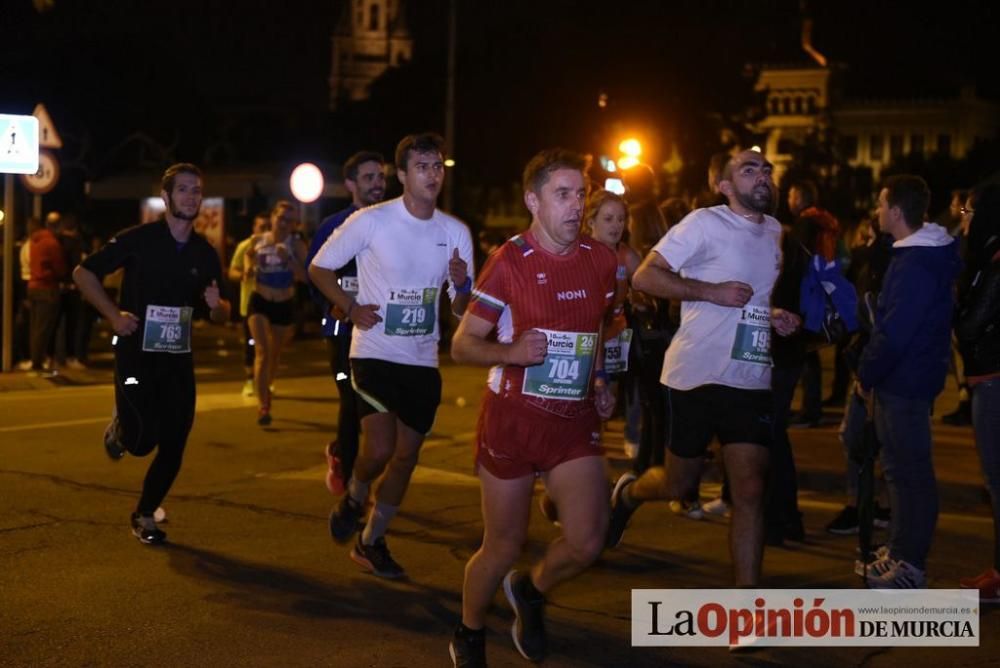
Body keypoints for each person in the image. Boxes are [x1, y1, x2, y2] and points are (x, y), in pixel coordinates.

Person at [447, 148, 617, 667]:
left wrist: (602, 377)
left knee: (589, 540)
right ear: (533, 200)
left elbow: (599, 326)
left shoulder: (602, 260)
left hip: (574, 420)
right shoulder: (509, 262)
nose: (575, 205)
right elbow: (461, 345)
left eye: (580, 194)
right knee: (502, 545)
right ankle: (469, 632)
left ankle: (532, 591)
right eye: (562, 194)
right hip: (514, 421)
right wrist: (512, 352)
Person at [605, 149, 800, 587]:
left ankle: (746, 607)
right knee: (679, 484)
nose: (763, 176)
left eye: (766, 169)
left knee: (749, 489)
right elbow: (646, 278)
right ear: (724, 185)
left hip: (750, 375)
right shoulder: (703, 223)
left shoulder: (773, 231)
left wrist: (773, 315)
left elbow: (751, 299)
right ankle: (631, 493)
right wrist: (710, 291)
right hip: (695, 373)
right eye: (749, 170)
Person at [309, 132, 474, 579]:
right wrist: (349, 308)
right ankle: (356, 496)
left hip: (422, 361)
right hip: (375, 352)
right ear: (401, 175)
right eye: (422, 166)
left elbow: (461, 309)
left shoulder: (455, 232)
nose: (432, 174)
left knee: (406, 457)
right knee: (380, 448)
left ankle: (371, 540)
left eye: (437, 166)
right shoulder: (372, 221)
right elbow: (318, 268)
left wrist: (461, 287)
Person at [73, 163, 230, 545]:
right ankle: (121, 431)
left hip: (177, 358)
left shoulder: (204, 252)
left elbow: (222, 313)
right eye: (183, 190)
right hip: (135, 353)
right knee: (143, 441)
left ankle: (145, 514)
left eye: (196, 190)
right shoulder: (139, 239)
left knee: (175, 441)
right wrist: (113, 316)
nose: (191, 196)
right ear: (166, 197)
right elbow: (83, 274)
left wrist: (216, 305)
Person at [857, 175, 960, 588]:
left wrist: (867, 372)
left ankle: (910, 563)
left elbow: (895, 331)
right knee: (901, 470)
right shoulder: (916, 255)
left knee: (910, 473)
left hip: (905, 381)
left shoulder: (916, 262)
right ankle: (901, 550)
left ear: (897, 212)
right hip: (907, 378)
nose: (878, 212)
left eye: (882, 205)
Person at [306, 151, 387, 494]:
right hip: (342, 330)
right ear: (351, 184)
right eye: (369, 177)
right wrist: (333, 305)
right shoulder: (334, 225)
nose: (377, 184)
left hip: (381, 330)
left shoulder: (395, 222)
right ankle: (353, 483)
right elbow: (314, 273)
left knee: (374, 405)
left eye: (381, 177)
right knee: (350, 398)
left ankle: (340, 451)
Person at [954, 184, 1000, 600]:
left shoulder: (995, 261)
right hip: (989, 378)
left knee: (997, 480)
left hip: (993, 381)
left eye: (968, 211)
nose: (963, 220)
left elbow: (970, 325)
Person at [245, 201, 308, 425]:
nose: (284, 224)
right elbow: (248, 255)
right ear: (272, 217)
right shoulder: (257, 240)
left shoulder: (297, 245)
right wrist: (248, 269)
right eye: (280, 218)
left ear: (294, 224)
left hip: (284, 302)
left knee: (274, 353)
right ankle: (263, 405)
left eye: (289, 221)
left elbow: (307, 277)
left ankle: (268, 386)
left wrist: (289, 260)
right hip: (260, 300)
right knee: (262, 350)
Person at [28, 211, 68, 373]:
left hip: (33, 286)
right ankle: (37, 362)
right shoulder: (51, 243)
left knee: (35, 326)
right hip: (47, 287)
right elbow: (60, 267)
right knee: (44, 328)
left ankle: (35, 358)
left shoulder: (34, 241)